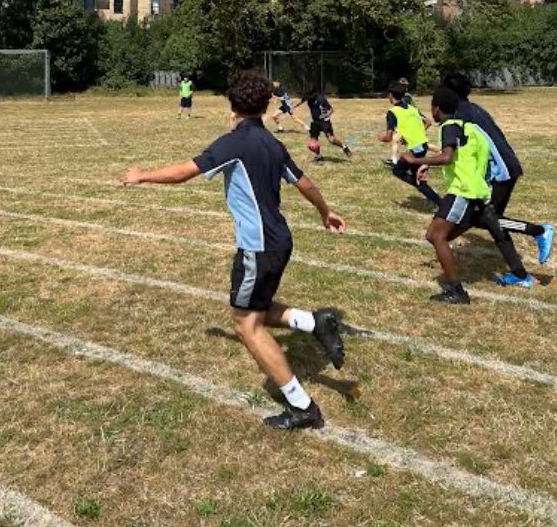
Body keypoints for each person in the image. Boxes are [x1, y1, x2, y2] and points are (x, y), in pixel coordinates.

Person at [124, 70, 347, 431]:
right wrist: (325, 211)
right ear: (265, 105)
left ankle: (302, 405)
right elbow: (304, 182)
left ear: (232, 104)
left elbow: (184, 172)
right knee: (255, 308)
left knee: (246, 324)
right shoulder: (272, 143)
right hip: (279, 240)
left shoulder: (234, 143)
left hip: (258, 246)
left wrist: (142, 175)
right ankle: (313, 322)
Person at [403, 86, 533, 304]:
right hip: (473, 190)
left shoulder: (448, 127)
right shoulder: (468, 127)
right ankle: (458, 282)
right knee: (438, 236)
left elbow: (447, 157)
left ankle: (457, 291)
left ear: (436, 108)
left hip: (462, 191)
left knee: (436, 236)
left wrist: (415, 160)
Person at [442, 72, 554, 271]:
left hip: (500, 172)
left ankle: (538, 231)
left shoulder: (460, 115)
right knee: (493, 221)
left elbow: (461, 152)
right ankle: (519, 274)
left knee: (486, 218)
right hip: (507, 166)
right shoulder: (473, 109)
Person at [380, 83, 441, 206]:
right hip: (422, 145)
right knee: (409, 174)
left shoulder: (392, 112)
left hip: (415, 149)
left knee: (399, 171)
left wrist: (381, 137)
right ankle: (436, 199)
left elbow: (388, 137)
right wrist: (414, 135)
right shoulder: (412, 109)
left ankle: (441, 203)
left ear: (391, 96)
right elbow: (428, 122)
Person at [296, 87, 352, 163]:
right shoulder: (308, 97)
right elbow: (301, 101)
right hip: (315, 122)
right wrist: (293, 107)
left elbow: (331, 109)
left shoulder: (321, 99)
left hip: (324, 122)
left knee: (331, 140)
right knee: (313, 142)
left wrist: (326, 115)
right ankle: (318, 156)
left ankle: (344, 147)